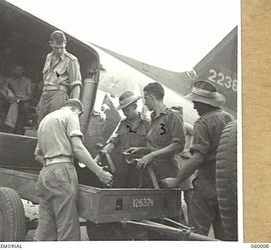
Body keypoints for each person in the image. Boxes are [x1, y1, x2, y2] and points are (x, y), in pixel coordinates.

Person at [162, 80, 234, 240]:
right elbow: (221, 150)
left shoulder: (203, 122)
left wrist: (177, 179)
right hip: (225, 189)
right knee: (224, 237)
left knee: (196, 236)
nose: (194, 107)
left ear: (205, 103)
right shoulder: (228, 118)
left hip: (206, 187)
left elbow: (198, 158)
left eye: (196, 103)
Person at [34, 99, 113, 241]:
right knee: (68, 230)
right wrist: (100, 172)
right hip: (62, 172)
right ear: (78, 111)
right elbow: (78, 148)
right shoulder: (71, 115)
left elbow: (37, 155)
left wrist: (52, 164)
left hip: (45, 173)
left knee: (45, 231)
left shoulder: (46, 119)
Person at [126, 82, 186, 187]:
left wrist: (152, 155)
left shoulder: (172, 116)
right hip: (151, 171)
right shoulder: (153, 118)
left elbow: (178, 145)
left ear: (151, 97)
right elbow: (157, 146)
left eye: (145, 99)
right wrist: (142, 149)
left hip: (166, 173)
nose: (145, 103)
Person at [96, 91, 150, 188]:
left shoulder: (148, 123)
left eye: (127, 110)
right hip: (123, 170)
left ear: (134, 106)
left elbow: (154, 146)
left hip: (142, 171)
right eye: (123, 111)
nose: (125, 113)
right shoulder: (122, 124)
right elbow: (113, 142)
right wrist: (99, 156)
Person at [36, 30, 82, 123]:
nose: (60, 50)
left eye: (62, 47)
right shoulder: (49, 57)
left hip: (59, 95)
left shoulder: (71, 60)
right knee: (41, 124)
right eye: (56, 48)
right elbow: (49, 76)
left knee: (53, 124)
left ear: (65, 43)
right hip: (45, 94)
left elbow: (76, 84)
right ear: (51, 44)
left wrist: (74, 106)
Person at [2, 64, 32, 134]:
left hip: (24, 100)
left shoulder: (27, 81)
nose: (18, 71)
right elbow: (3, 89)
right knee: (14, 104)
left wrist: (21, 100)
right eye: (16, 69)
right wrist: (8, 98)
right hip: (14, 99)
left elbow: (30, 96)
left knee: (16, 105)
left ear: (23, 71)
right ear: (13, 70)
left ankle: (10, 126)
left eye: (20, 70)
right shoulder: (10, 80)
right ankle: (12, 128)